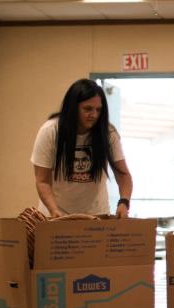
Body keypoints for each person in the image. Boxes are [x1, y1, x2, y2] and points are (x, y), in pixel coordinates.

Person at [31, 78, 133, 218]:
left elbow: (123, 174)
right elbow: (42, 180)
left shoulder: (108, 133)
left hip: (96, 214)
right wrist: (53, 210)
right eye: (88, 109)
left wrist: (124, 202)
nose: (94, 115)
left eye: (98, 110)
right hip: (55, 213)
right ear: (73, 107)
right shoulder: (50, 131)